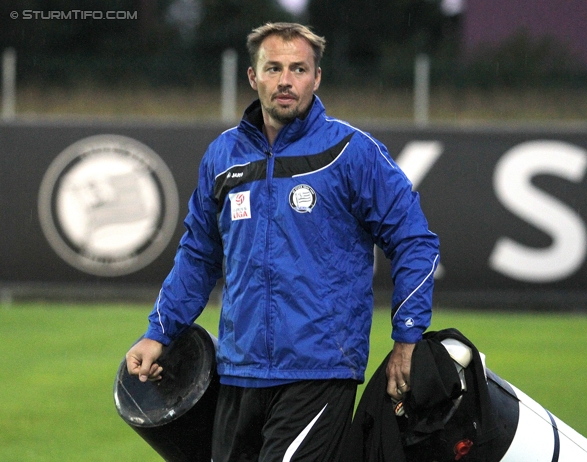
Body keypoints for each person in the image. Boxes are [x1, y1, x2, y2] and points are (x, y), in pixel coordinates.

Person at [125, 22, 440, 462]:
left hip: (319, 370)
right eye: (273, 68)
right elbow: (198, 255)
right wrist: (158, 333)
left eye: (298, 69)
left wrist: (407, 336)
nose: (286, 81)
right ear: (253, 78)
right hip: (238, 369)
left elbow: (414, 241)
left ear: (317, 77)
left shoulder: (351, 151)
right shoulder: (222, 156)